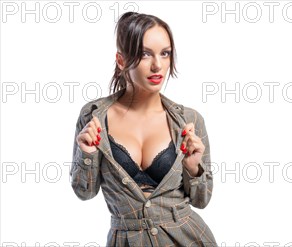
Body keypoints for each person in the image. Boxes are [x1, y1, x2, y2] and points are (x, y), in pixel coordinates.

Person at [69, 12, 217, 246]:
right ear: (121, 60)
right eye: (145, 54)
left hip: (187, 237)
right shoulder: (93, 116)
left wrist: (192, 167)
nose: (157, 65)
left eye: (165, 53)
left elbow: (202, 200)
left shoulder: (189, 120)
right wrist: (86, 156)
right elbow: (84, 193)